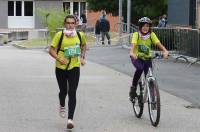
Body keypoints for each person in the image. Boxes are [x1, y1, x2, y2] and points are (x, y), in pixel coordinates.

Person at [49, 15, 87, 129]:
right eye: (68, 23)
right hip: (60, 67)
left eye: (72, 23)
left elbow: (84, 45)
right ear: (64, 24)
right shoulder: (59, 35)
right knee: (63, 91)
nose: (70, 25)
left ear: (76, 24)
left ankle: (70, 119)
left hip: (74, 67)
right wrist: (59, 58)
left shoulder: (80, 35)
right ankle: (62, 104)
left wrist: (82, 57)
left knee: (72, 91)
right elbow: (51, 50)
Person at [129, 17, 169, 101]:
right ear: (140, 27)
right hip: (137, 57)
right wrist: (132, 53)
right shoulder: (136, 35)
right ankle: (133, 89)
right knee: (139, 68)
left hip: (147, 58)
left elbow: (159, 44)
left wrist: (165, 51)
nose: (145, 27)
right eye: (143, 26)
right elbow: (133, 46)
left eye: (147, 26)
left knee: (149, 75)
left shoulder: (151, 35)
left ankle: (152, 96)